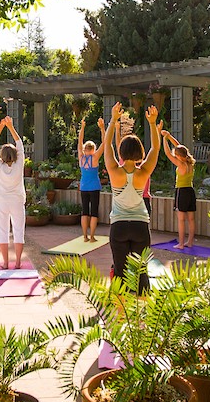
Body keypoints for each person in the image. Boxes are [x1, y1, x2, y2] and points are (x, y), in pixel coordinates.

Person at [102, 101, 162, 294]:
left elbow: (107, 148)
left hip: (119, 226)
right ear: (139, 153)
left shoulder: (114, 171)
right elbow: (155, 149)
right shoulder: (143, 173)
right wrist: (152, 124)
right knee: (141, 273)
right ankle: (143, 320)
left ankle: (120, 317)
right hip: (140, 226)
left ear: (121, 152)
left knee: (120, 273)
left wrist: (113, 121)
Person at [0, 116, 26, 268]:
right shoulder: (19, 164)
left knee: (2, 231)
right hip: (17, 201)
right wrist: (10, 127)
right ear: (16, 155)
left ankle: (5, 263)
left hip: (2, 201)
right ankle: (17, 262)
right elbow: (20, 144)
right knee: (19, 231)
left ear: (2, 156)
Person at [162, 132, 197, 248]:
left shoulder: (180, 164)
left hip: (181, 192)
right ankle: (190, 242)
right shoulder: (189, 162)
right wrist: (169, 136)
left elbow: (167, 153)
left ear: (178, 156)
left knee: (181, 219)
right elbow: (179, 146)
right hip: (190, 191)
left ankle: (181, 244)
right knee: (191, 219)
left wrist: (164, 139)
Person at [78, 118, 102, 241]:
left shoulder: (81, 157)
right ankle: (92, 236)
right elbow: (105, 143)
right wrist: (102, 129)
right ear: (93, 149)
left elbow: (79, 141)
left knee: (85, 211)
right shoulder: (95, 157)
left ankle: (85, 236)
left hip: (83, 187)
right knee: (94, 212)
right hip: (94, 187)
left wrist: (82, 127)